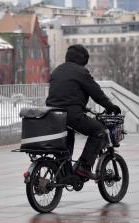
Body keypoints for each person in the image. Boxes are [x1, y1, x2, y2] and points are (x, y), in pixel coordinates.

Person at [46, 44, 121, 180]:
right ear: (83, 59)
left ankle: (65, 170)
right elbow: (96, 93)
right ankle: (84, 167)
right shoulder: (81, 72)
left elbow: (64, 94)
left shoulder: (57, 71)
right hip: (72, 115)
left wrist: (79, 104)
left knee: (68, 136)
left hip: (54, 115)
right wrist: (110, 106)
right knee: (99, 131)